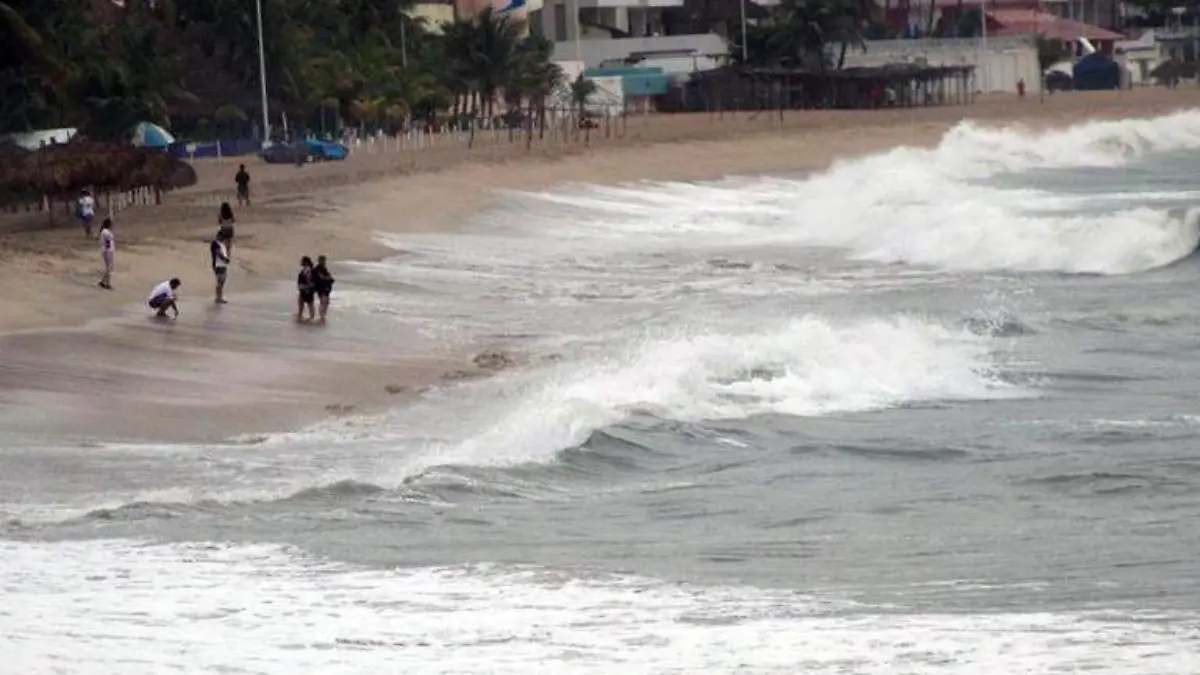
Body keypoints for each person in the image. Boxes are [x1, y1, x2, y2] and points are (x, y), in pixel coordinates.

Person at [313, 255, 335, 323]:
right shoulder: (317, 269)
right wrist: (328, 279)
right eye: (323, 260)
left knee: (326, 302)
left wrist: (329, 279)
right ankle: (321, 317)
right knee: (323, 302)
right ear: (319, 261)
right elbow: (322, 278)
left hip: (325, 288)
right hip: (321, 288)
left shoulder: (324, 268)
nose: (324, 262)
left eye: (324, 260)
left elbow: (329, 277)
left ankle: (323, 316)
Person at [210, 231, 231, 304]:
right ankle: (218, 297)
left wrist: (226, 259)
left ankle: (219, 297)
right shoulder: (215, 243)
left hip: (222, 264)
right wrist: (225, 260)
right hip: (218, 264)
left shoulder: (222, 244)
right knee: (220, 281)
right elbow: (218, 253)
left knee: (222, 281)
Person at [295, 256, 315, 323]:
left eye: (302, 261)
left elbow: (309, 279)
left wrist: (306, 288)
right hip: (304, 289)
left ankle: (309, 318)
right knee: (306, 304)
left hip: (306, 290)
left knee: (308, 305)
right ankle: (302, 317)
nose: (301, 262)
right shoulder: (306, 269)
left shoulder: (307, 269)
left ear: (305, 262)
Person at [98, 218, 115, 290]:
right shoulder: (106, 232)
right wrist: (109, 251)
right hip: (108, 251)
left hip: (106, 250)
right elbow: (108, 242)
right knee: (109, 267)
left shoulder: (104, 231)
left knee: (108, 267)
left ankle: (103, 281)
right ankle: (107, 283)